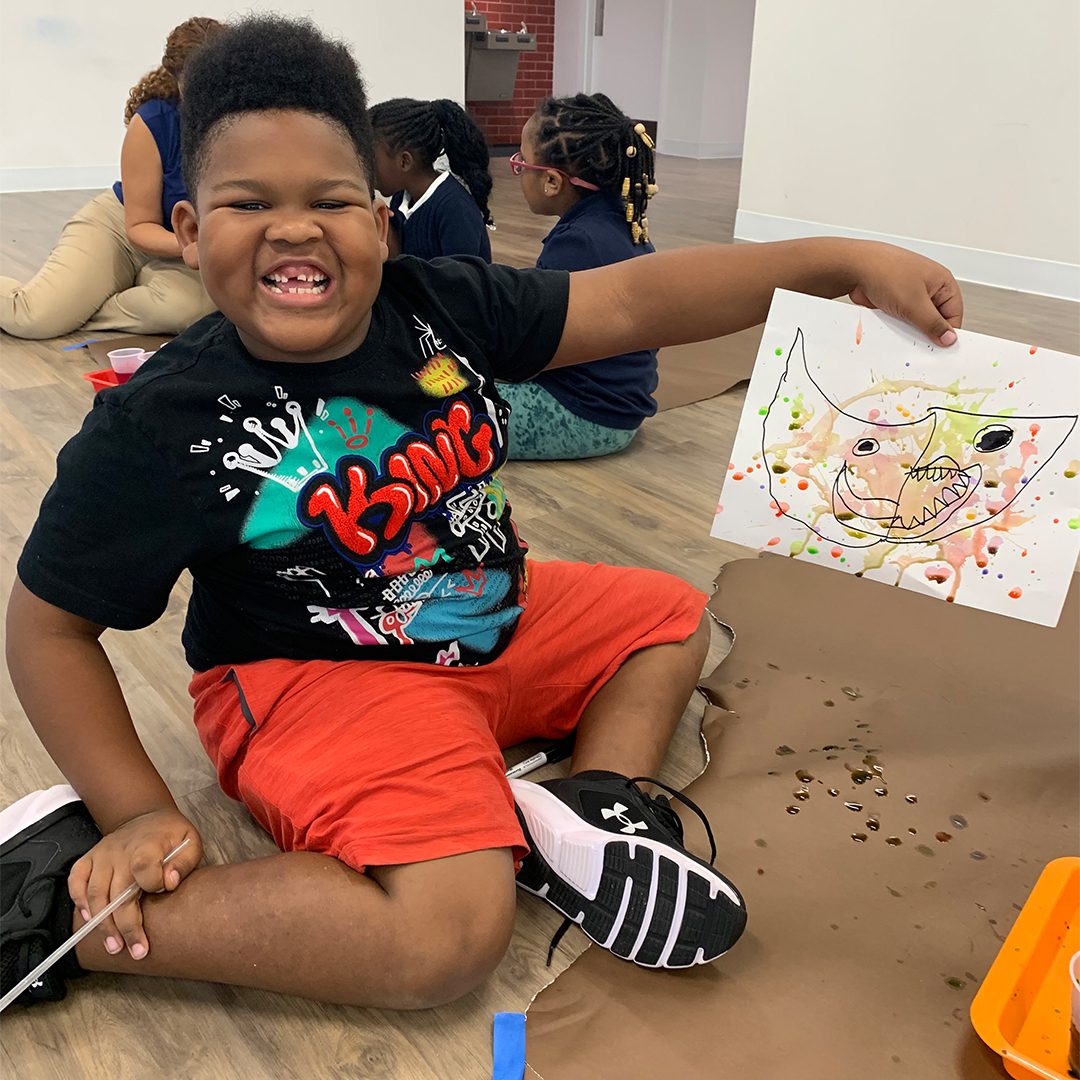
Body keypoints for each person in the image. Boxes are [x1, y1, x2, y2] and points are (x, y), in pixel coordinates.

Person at [1, 15, 963, 1011]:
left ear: (379, 222)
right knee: (447, 939)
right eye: (250, 202)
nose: (295, 226)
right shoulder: (165, 422)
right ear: (192, 232)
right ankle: (51, 914)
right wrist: (136, 813)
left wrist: (834, 260)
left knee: (671, 617)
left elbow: (631, 305)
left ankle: (594, 811)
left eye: (330, 198)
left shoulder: (436, 305)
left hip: (488, 618)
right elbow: (48, 626)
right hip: (318, 676)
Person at [0, 17, 223, 340]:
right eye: (197, 85)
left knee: (186, 312)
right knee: (34, 318)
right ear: (178, 81)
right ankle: (67, 303)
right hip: (123, 227)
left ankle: (82, 304)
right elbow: (139, 226)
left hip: (190, 246)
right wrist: (200, 245)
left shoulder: (251, 122)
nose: (210, 96)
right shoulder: (153, 121)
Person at [504, 92, 660, 459]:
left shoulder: (578, 242)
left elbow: (540, 341)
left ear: (553, 182)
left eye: (521, 163)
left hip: (585, 414)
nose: (519, 170)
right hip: (619, 409)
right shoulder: (620, 220)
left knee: (449, 410)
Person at [369, 97, 493, 261]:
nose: (367, 168)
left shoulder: (454, 209)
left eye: (372, 159)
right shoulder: (400, 200)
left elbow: (463, 282)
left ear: (405, 161)